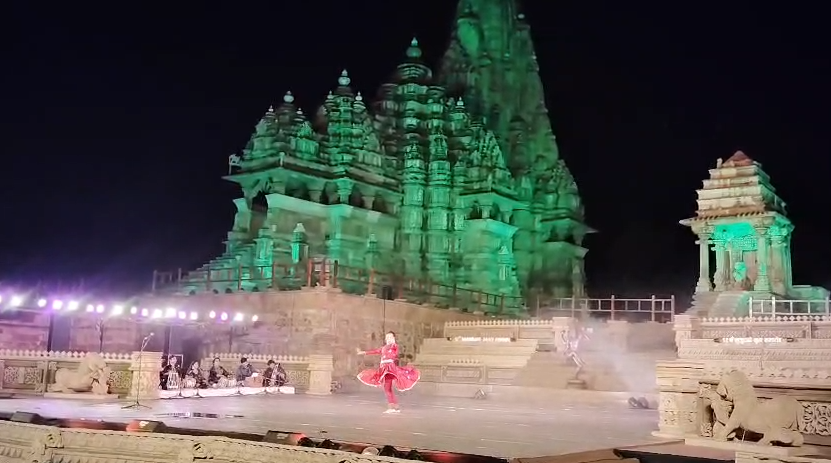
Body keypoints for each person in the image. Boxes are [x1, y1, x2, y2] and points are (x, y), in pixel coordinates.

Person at [356, 331, 420, 414]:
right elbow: (375, 351)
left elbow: (395, 351)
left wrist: (393, 343)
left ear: (394, 338)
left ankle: (392, 407)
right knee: (388, 388)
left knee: (387, 388)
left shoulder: (394, 346)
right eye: (387, 337)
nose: (389, 339)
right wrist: (363, 352)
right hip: (384, 369)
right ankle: (395, 407)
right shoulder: (384, 348)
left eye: (390, 337)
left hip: (389, 369)